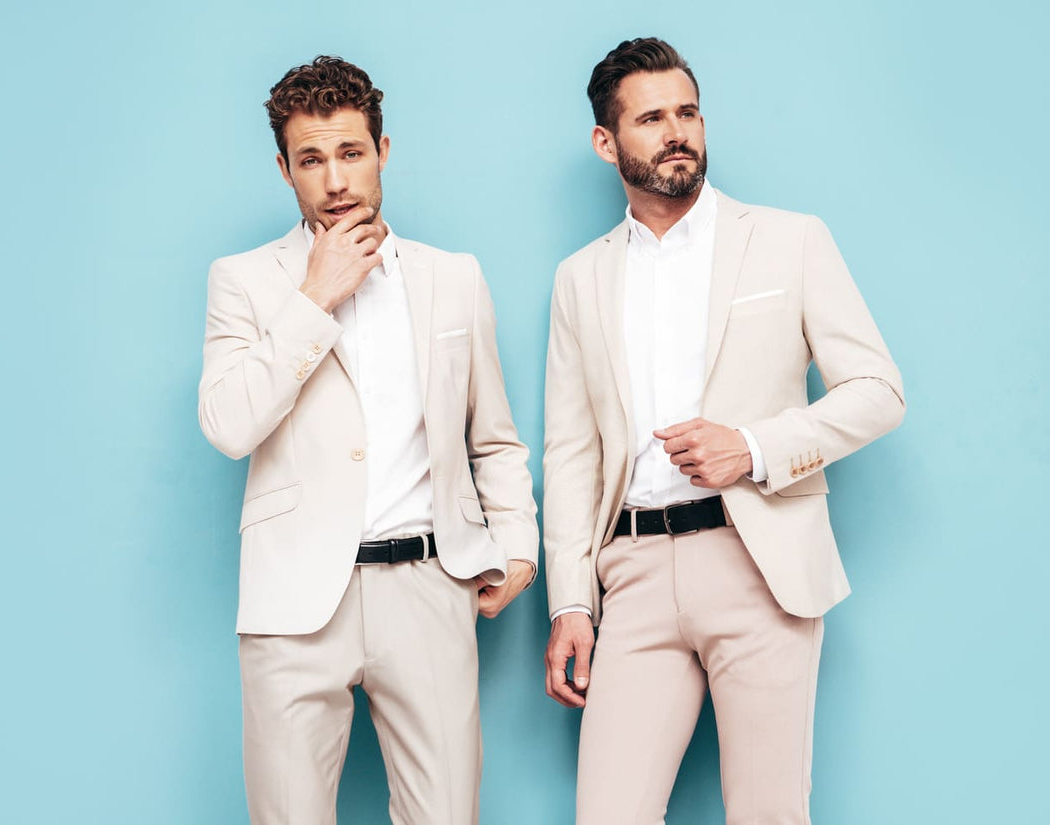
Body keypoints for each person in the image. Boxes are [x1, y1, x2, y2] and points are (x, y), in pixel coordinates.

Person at [542, 37, 904, 824]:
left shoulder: (788, 238)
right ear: (606, 142)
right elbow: (571, 453)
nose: (677, 131)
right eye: (651, 118)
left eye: (688, 112)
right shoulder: (581, 277)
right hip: (630, 574)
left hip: (760, 562)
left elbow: (879, 390)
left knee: (769, 814)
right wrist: (570, 600)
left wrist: (755, 445)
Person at [198, 55, 538, 825]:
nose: (335, 180)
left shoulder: (453, 276)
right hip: (293, 603)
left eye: (351, 153)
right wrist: (314, 295)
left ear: (383, 152)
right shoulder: (244, 280)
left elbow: (494, 438)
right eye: (312, 160)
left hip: (427, 585)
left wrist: (517, 542)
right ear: (284, 170)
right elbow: (227, 423)